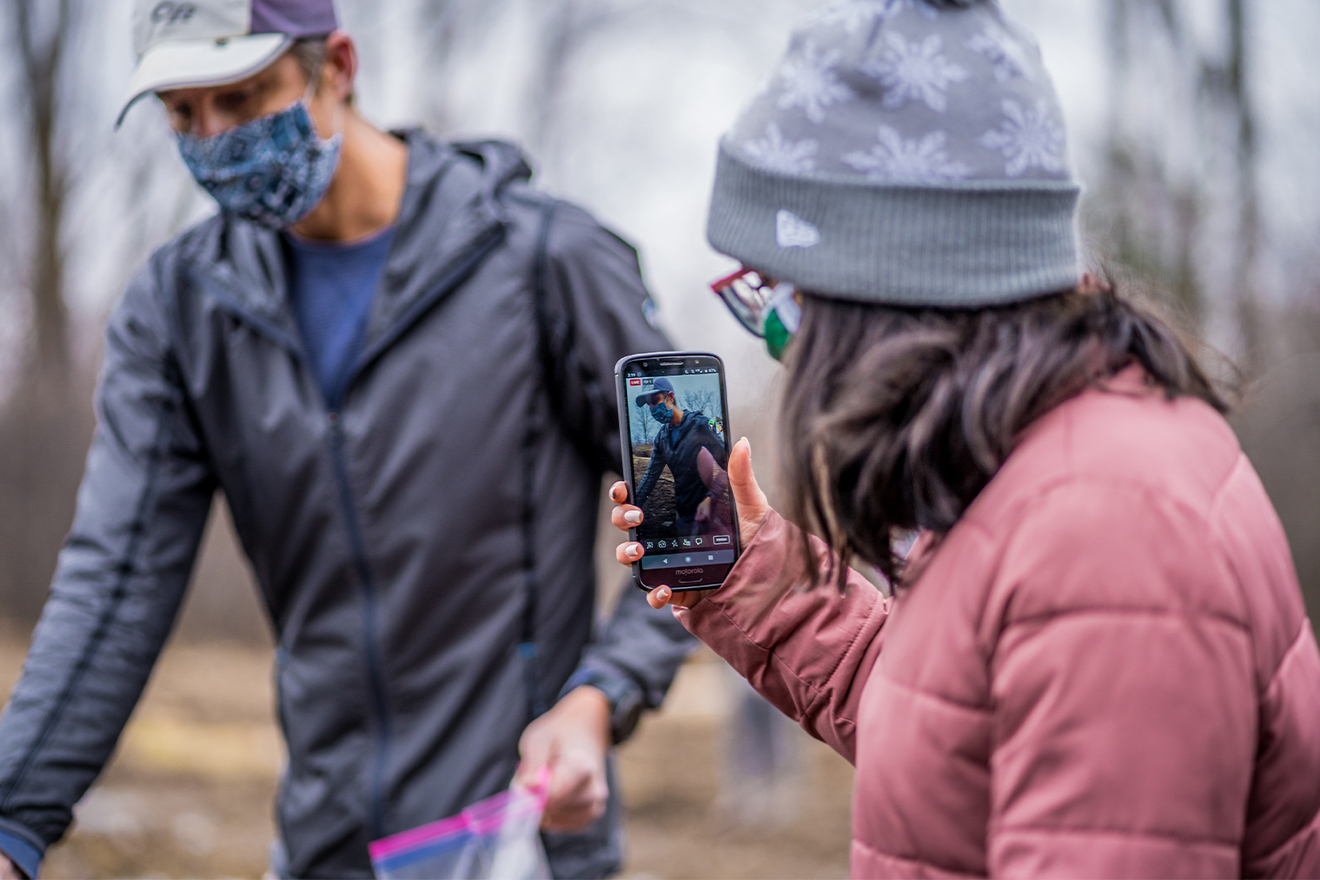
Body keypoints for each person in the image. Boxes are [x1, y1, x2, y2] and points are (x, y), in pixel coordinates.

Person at [612, 0, 1320, 877]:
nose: (779, 341)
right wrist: (753, 577)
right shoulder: (1040, 464)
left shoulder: (1107, 539)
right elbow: (953, 732)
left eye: (777, 297)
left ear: (894, 285)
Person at [0, 1, 693, 877]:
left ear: (336, 66)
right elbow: (115, 578)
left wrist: (603, 694)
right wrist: (12, 816)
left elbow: (697, 510)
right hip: (322, 844)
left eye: (241, 97)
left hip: (523, 840)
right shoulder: (178, 311)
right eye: (181, 113)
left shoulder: (551, 258)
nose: (212, 139)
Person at [633, 378, 727, 538]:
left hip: (706, 512)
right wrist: (632, 506)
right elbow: (649, 478)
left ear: (670, 397)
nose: (652, 409)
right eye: (648, 405)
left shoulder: (702, 424)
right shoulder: (660, 438)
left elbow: (728, 464)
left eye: (655, 401)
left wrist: (711, 498)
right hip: (682, 513)